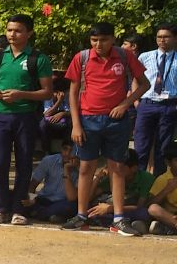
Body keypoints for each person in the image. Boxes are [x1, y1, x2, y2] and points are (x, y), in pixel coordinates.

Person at [62, 22, 149, 234]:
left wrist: (125, 104)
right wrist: (76, 124)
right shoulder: (82, 58)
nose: (98, 44)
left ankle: (118, 218)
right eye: (94, 40)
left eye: (103, 40)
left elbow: (144, 84)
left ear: (113, 39)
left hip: (116, 120)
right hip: (88, 119)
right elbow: (72, 93)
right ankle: (81, 215)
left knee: (117, 168)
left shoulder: (125, 56)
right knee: (85, 167)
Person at [0, 14, 53, 225]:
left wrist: (21, 94)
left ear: (29, 33)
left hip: (26, 117)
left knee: (24, 163)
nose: (12, 35)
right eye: (9, 30)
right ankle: (1, 208)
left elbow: (47, 92)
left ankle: (18, 209)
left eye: (18, 30)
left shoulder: (38, 59)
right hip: (0, 116)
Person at [135, 23, 176, 175]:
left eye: (166, 37)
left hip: (169, 105)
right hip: (147, 104)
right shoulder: (145, 56)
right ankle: (138, 180)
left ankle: (158, 181)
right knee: (141, 145)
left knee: (162, 147)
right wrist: (136, 101)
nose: (162, 40)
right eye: (159, 37)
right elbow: (136, 79)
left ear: (175, 38)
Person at [24, 140, 77, 223]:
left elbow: (72, 197)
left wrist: (66, 170)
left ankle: (38, 213)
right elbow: (33, 184)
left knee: (71, 206)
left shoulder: (81, 168)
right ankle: (48, 215)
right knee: (20, 198)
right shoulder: (49, 160)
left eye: (71, 151)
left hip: (62, 202)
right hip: (44, 199)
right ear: (61, 149)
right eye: (65, 149)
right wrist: (30, 199)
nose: (67, 153)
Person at [144, 142, 177, 235]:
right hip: (171, 216)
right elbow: (149, 204)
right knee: (153, 209)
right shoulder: (163, 179)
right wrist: (167, 189)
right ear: (168, 162)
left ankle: (167, 228)